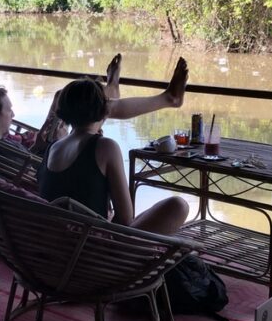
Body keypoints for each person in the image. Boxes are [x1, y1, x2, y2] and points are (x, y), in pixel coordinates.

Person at [37, 75, 189, 235]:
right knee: (178, 206)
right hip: (91, 249)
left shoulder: (53, 147)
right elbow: (125, 219)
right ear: (105, 110)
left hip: (57, 240)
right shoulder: (105, 147)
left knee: (150, 213)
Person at [0, 54, 189, 153]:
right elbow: (30, 169)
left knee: (60, 98)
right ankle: (169, 98)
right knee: (97, 108)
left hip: (42, 150)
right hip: (52, 156)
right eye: (9, 110)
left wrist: (42, 139)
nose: (13, 114)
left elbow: (28, 157)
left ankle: (110, 91)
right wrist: (54, 143)